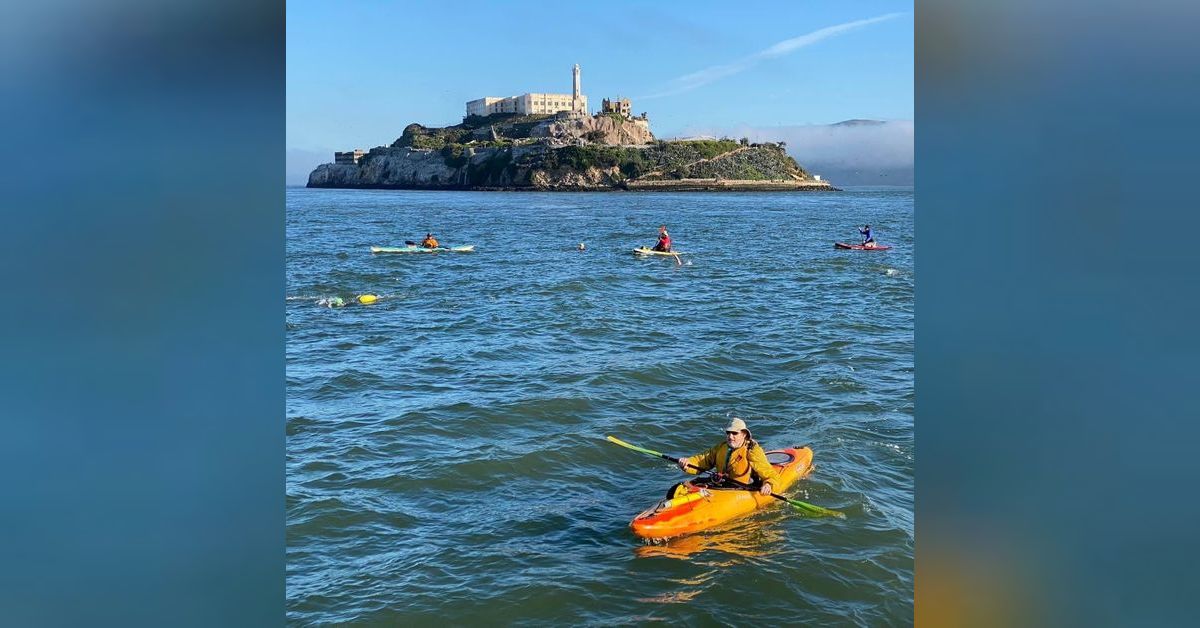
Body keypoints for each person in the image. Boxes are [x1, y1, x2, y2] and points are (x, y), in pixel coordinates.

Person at [676, 418, 778, 495]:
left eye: (734, 433)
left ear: (744, 435)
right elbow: (702, 461)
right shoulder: (721, 447)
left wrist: (768, 484)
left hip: (742, 488)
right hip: (722, 485)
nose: (730, 436)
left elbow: (768, 472)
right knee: (683, 486)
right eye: (728, 433)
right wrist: (687, 463)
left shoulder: (752, 450)